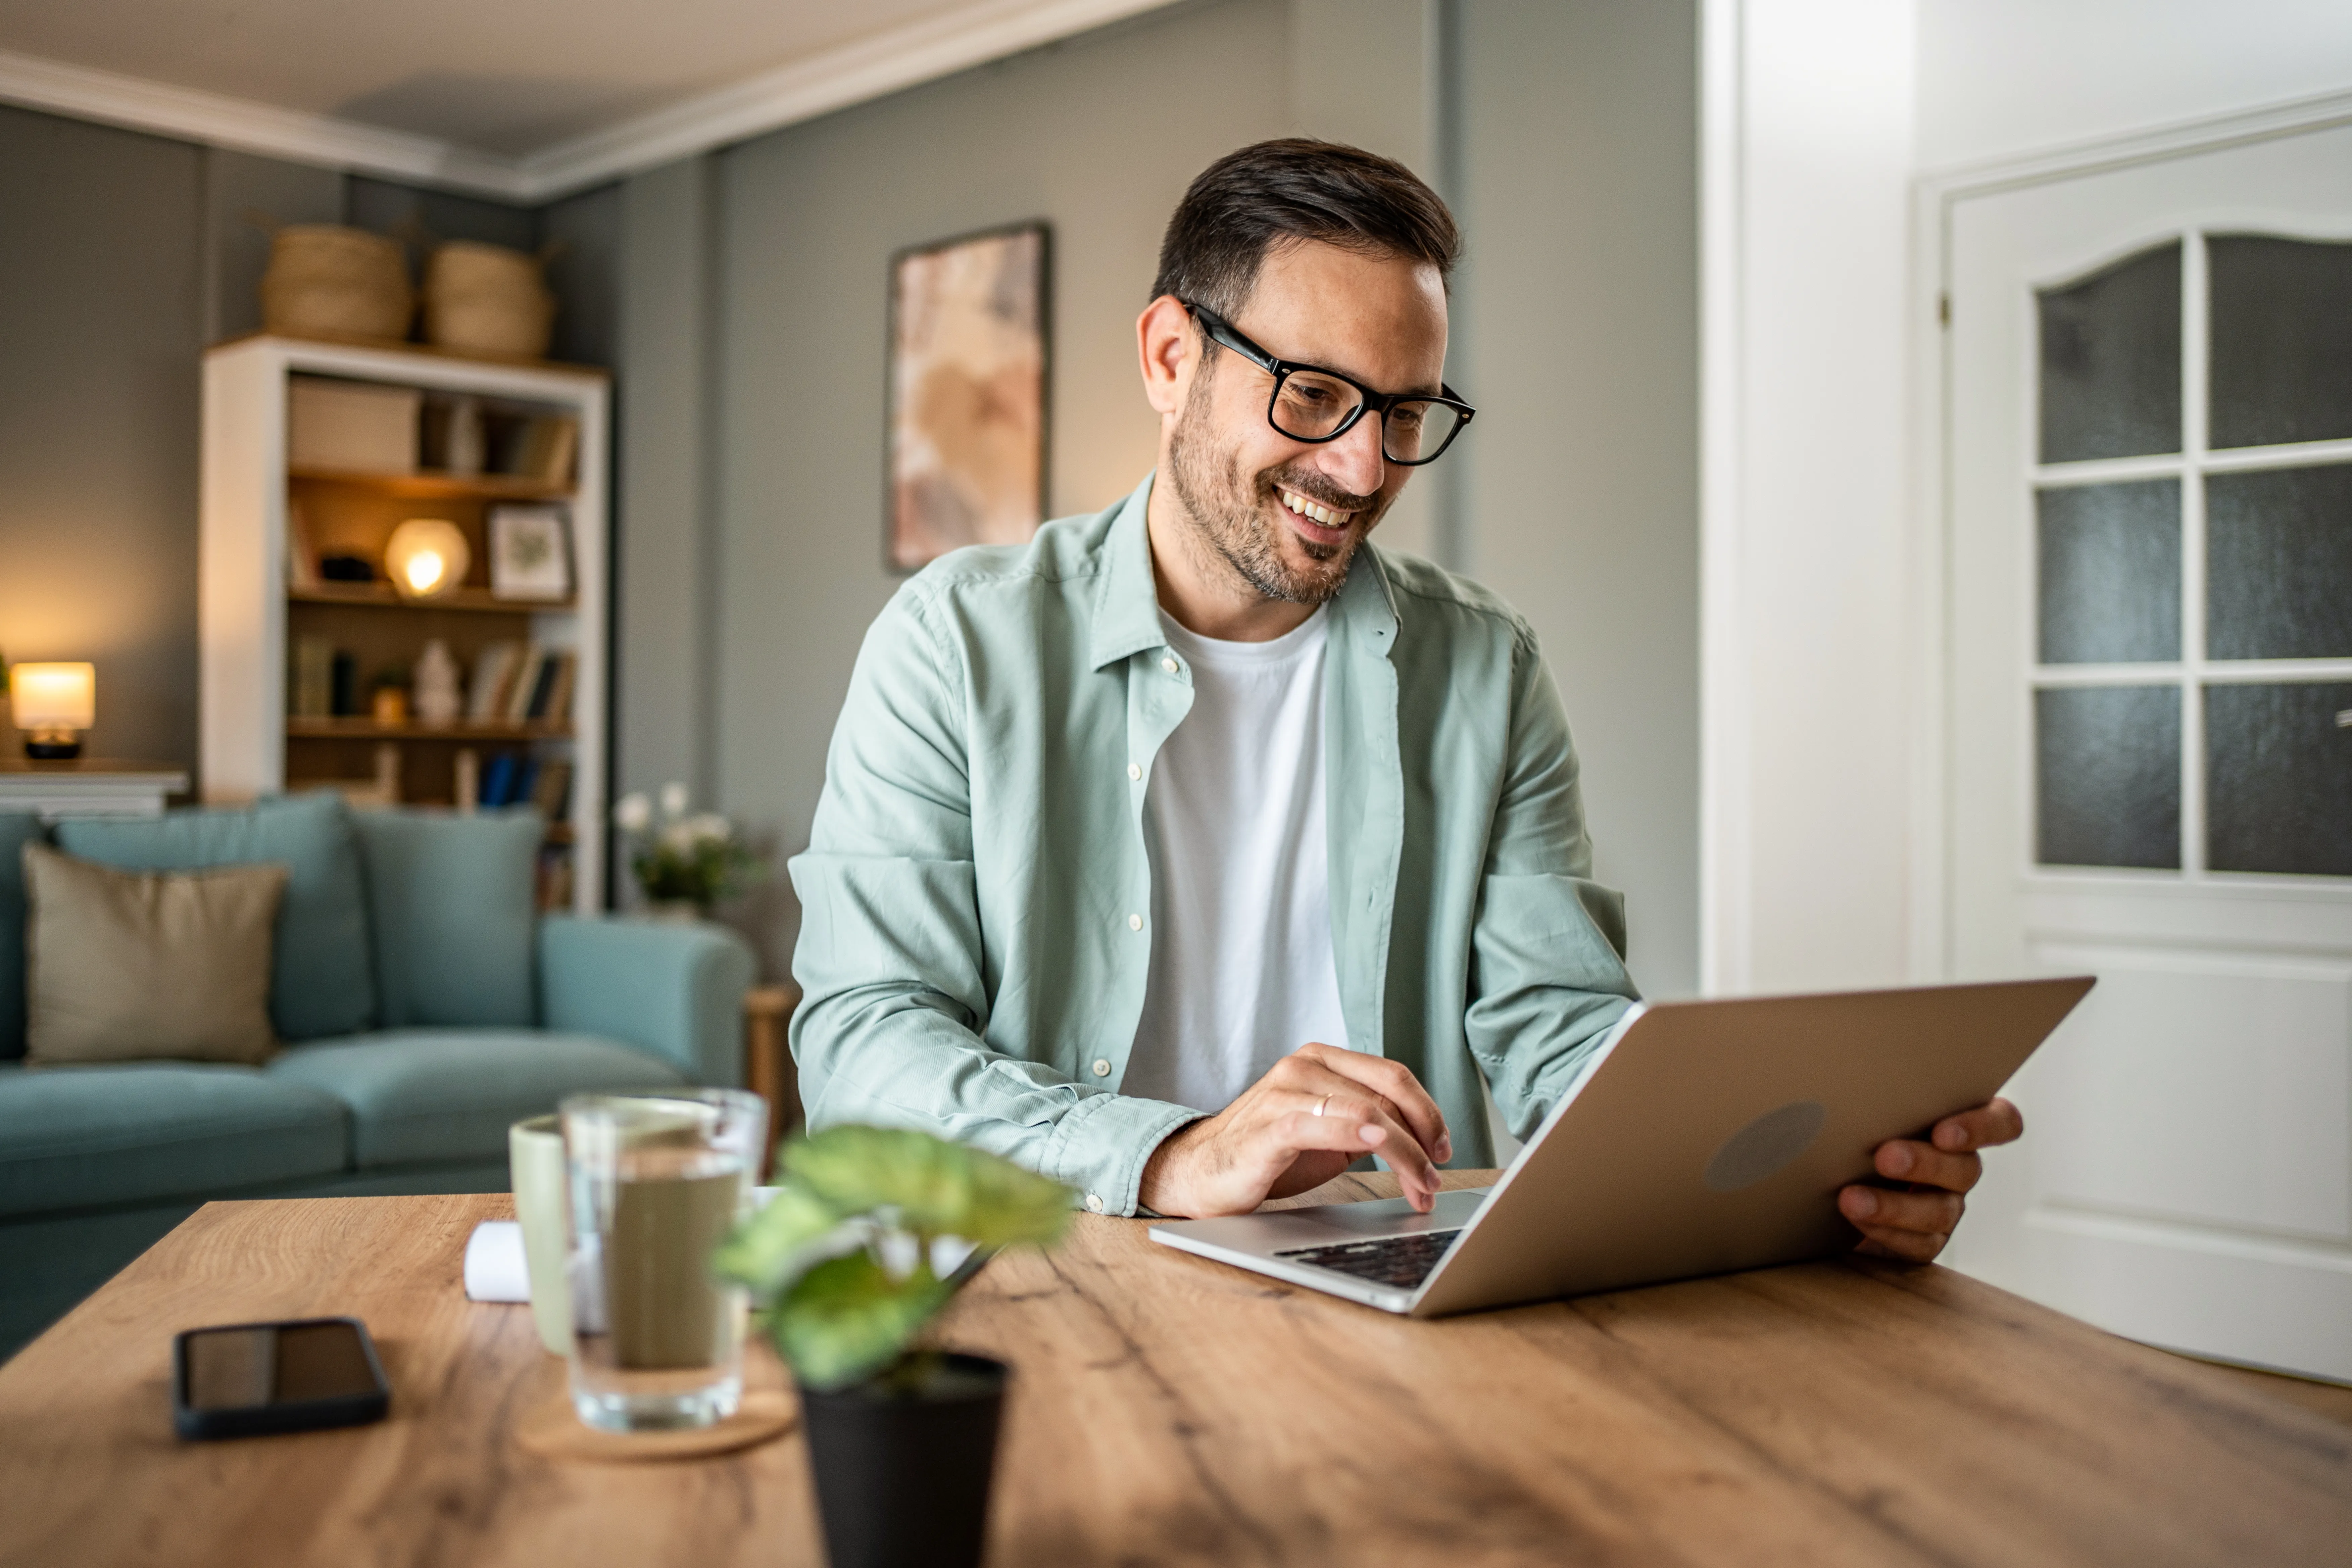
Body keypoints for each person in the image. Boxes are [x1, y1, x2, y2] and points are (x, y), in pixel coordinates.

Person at [791, 139, 2018, 1258]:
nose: (1363, 466)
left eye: (1406, 412)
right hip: (1059, 1272)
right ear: (1171, 359)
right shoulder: (958, 642)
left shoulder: (1487, 665)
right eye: (1313, 394)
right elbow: (862, 1043)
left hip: (1389, 1287)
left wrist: (1794, 1182)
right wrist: (1172, 1154)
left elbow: (1557, 1027)